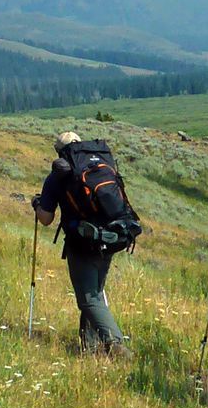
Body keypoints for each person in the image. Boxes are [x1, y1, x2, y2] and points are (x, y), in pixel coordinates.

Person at [31, 131, 141, 354]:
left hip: (82, 242)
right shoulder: (102, 165)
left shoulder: (58, 176)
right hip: (111, 237)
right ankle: (89, 349)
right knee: (96, 291)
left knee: (88, 299)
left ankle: (117, 346)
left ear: (59, 151)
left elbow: (46, 219)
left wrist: (36, 204)